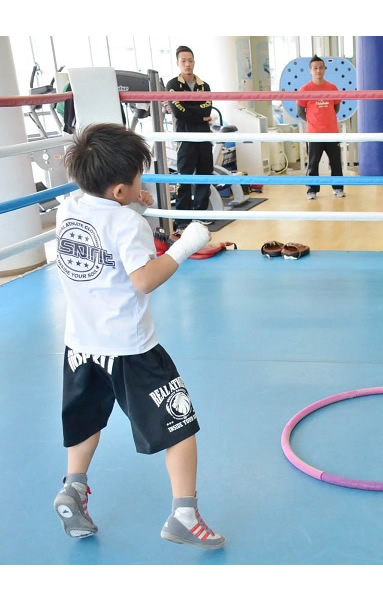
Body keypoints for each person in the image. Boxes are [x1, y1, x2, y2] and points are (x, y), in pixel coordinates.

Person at [53, 123, 225, 548]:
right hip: (130, 349)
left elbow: (104, 228)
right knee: (181, 427)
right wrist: (186, 245)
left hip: (80, 345)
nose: (141, 184)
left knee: (85, 421)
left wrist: (133, 203)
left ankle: (73, 488)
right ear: (118, 190)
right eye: (137, 179)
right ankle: (184, 514)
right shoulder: (128, 227)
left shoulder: (69, 208)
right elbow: (144, 280)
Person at [166, 45, 214, 231]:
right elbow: (178, 112)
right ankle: (182, 219)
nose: (187, 64)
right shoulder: (172, 86)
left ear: (194, 61)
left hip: (203, 136)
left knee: (204, 174)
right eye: (183, 61)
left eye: (190, 60)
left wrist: (193, 111)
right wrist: (199, 114)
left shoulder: (204, 86)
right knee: (184, 178)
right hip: (185, 137)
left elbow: (207, 109)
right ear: (178, 63)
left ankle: (200, 215)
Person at [296, 55, 345, 200]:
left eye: (321, 68)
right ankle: (312, 190)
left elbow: (336, 107)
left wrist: (326, 119)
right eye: (315, 68)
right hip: (314, 134)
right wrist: (313, 122)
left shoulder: (332, 87)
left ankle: (338, 188)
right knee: (313, 163)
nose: (318, 71)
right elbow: (300, 111)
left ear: (325, 69)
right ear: (310, 70)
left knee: (336, 162)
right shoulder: (304, 89)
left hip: (332, 133)